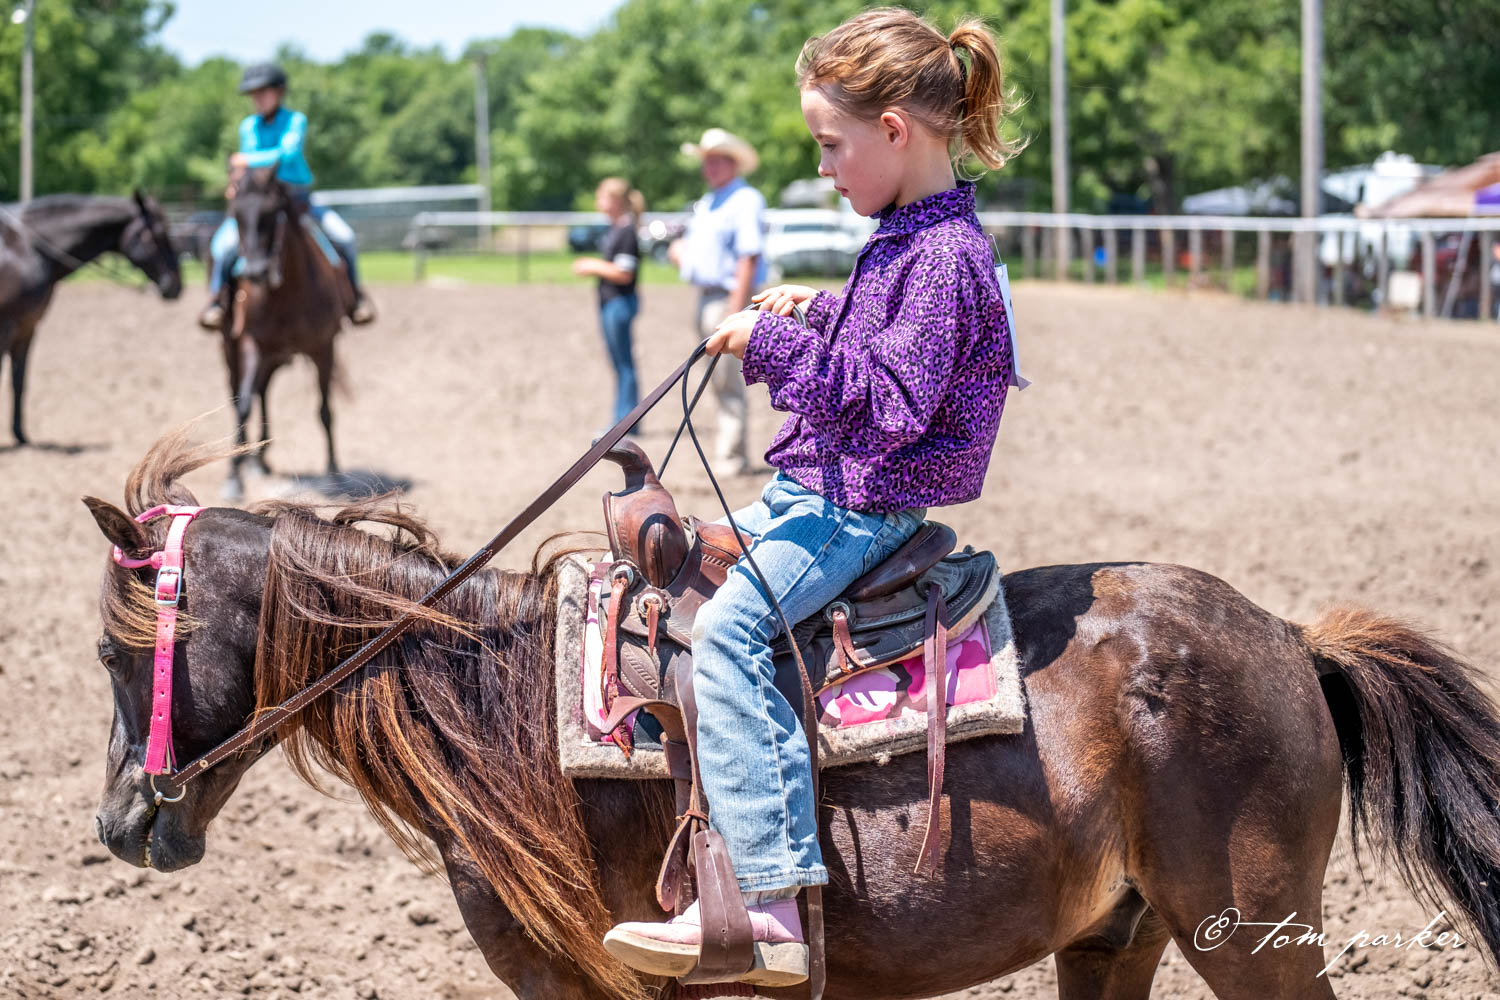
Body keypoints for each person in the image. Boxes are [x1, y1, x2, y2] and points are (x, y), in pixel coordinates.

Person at [603, 7, 1020, 986]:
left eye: (832, 146)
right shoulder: (909, 237)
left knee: (731, 634)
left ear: (894, 131)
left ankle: (768, 903)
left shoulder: (944, 256)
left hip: (861, 506)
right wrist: (821, 310)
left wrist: (778, 344)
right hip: (822, 488)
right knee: (673, 570)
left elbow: (892, 402)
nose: (824, 168)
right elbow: (888, 344)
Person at [198, 63, 375, 330]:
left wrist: (244, 160)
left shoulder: (295, 121)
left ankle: (355, 298)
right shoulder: (249, 126)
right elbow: (252, 165)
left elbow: (288, 153)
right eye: (253, 94)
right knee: (222, 247)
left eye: (263, 92)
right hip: (259, 203)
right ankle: (217, 301)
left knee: (344, 237)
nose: (258, 99)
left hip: (296, 199)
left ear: (279, 92)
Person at [672, 128, 767, 474]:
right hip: (707, 296)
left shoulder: (744, 200)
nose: (709, 168)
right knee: (716, 377)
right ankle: (727, 451)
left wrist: (735, 310)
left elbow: (748, 256)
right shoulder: (711, 201)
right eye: (707, 161)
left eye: (716, 161)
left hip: (726, 298)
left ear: (732, 163)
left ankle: (732, 456)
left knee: (726, 377)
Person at [572, 179, 644, 433]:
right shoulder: (616, 229)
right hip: (612, 303)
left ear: (616, 200)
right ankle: (626, 420)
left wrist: (593, 266)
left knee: (624, 364)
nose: (598, 202)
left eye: (602, 197)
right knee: (620, 363)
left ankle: (625, 421)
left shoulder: (626, 232)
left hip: (619, 303)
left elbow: (624, 273)